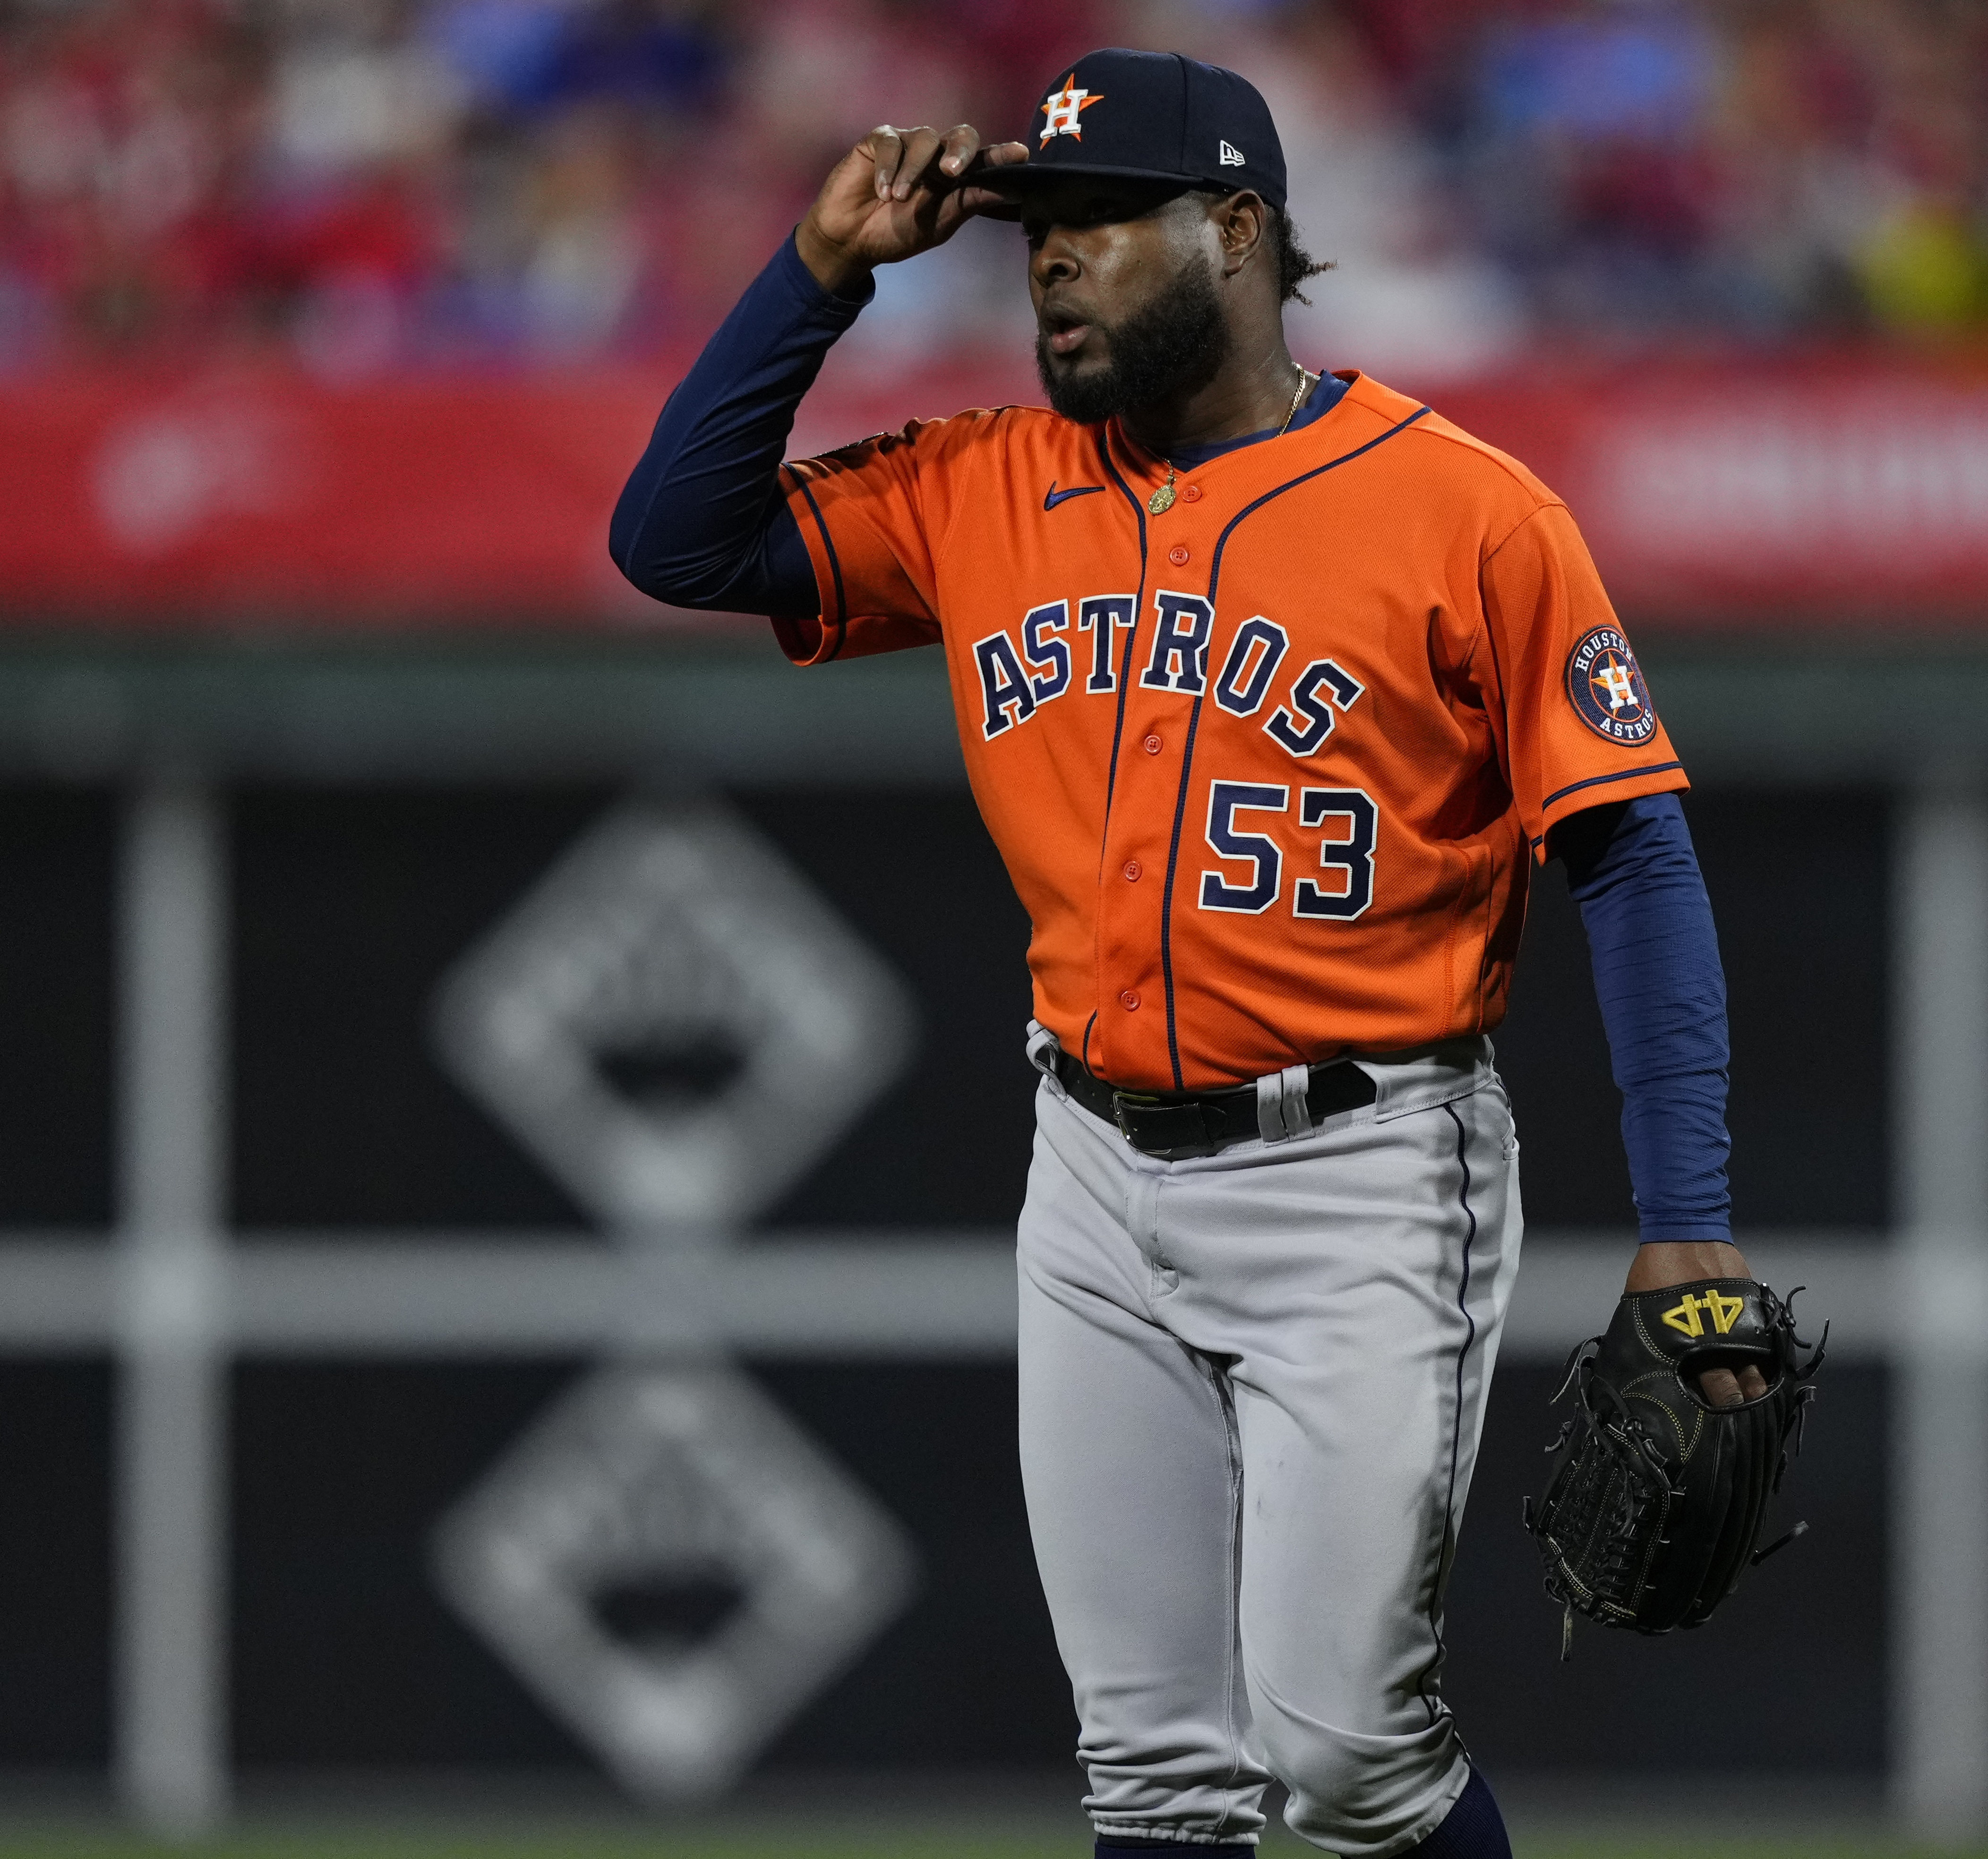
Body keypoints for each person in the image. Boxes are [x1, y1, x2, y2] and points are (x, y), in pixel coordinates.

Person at [610, 47, 1753, 1859]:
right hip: (1090, 1167)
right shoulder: (985, 485)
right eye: (1031, 231)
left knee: (1347, 1757)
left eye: (1093, 226)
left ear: (1236, 232)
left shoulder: (1469, 512)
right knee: (1151, 1768)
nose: (1049, 265)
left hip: (1367, 1167)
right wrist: (820, 273)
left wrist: (1685, 1216)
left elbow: (1632, 852)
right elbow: (673, 539)